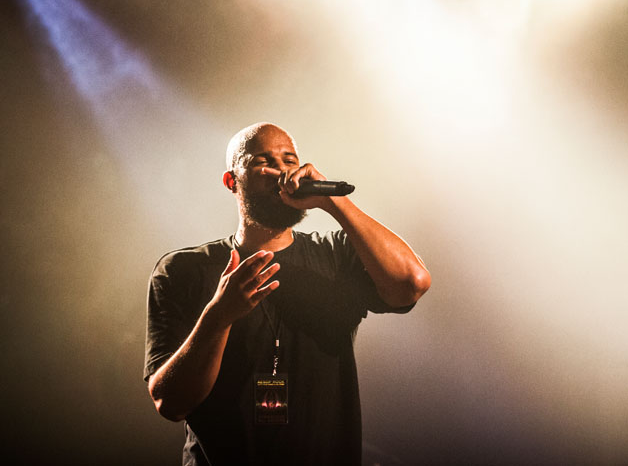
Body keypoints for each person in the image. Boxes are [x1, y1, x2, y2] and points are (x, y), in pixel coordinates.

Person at [144, 122, 431, 465]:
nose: (281, 170)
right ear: (231, 181)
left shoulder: (336, 256)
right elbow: (170, 403)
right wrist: (219, 315)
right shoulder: (184, 269)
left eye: (288, 160)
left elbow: (412, 282)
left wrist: (335, 203)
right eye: (263, 161)